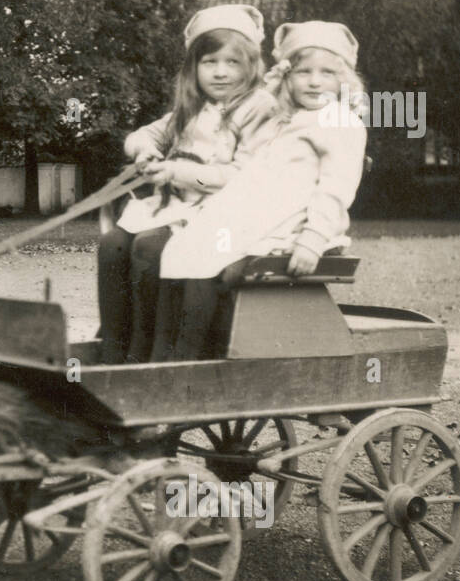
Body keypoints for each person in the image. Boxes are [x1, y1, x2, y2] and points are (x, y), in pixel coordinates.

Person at [154, 20, 370, 360]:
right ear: (287, 77)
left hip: (296, 227)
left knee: (206, 266)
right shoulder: (286, 117)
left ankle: (185, 364)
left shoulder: (340, 122)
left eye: (327, 73)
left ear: (343, 80)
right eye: (303, 72)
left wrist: (312, 239)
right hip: (260, 218)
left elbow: (336, 187)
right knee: (180, 249)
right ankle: (163, 357)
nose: (314, 82)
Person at [97, 4, 279, 363]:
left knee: (149, 247)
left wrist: (173, 172)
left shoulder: (259, 108)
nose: (221, 73)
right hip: (180, 208)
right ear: (194, 67)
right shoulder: (193, 108)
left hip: (225, 214)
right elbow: (140, 136)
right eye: (210, 62)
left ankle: (147, 356)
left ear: (251, 66)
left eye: (233, 63)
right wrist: (146, 152)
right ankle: (113, 347)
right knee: (113, 243)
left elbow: (242, 177)